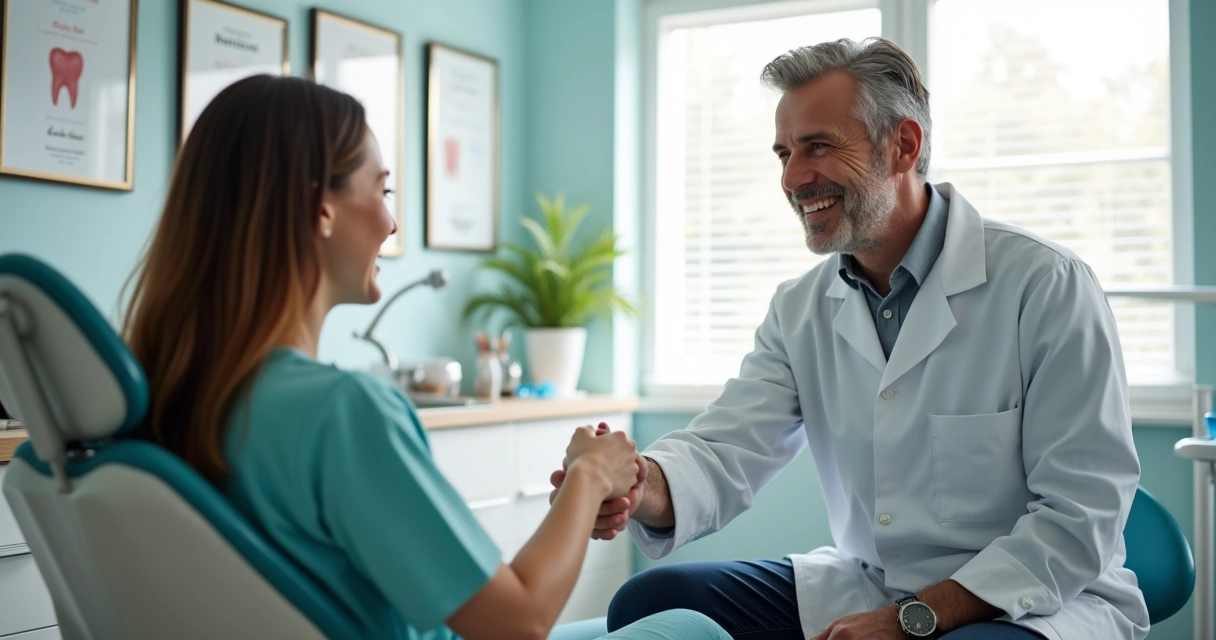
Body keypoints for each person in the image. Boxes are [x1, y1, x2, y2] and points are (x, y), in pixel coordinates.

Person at [550, 38, 1149, 640]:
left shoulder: (1044, 284)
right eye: (784, 152)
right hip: (874, 581)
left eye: (818, 147)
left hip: (1038, 599)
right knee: (651, 602)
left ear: (904, 147)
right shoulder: (800, 306)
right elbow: (723, 451)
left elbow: (1080, 516)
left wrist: (913, 619)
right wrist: (634, 482)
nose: (792, 177)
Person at [121, 75, 729, 640]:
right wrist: (591, 474)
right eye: (381, 190)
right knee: (696, 627)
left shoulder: (166, 396)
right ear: (320, 209)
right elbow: (516, 620)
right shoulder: (341, 412)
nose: (390, 223)